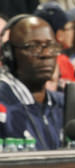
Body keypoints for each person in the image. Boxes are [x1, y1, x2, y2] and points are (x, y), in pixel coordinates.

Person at [0, 14, 64, 149]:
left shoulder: (64, 103)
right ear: (8, 54)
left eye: (51, 46)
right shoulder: (3, 102)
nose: (46, 54)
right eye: (33, 47)